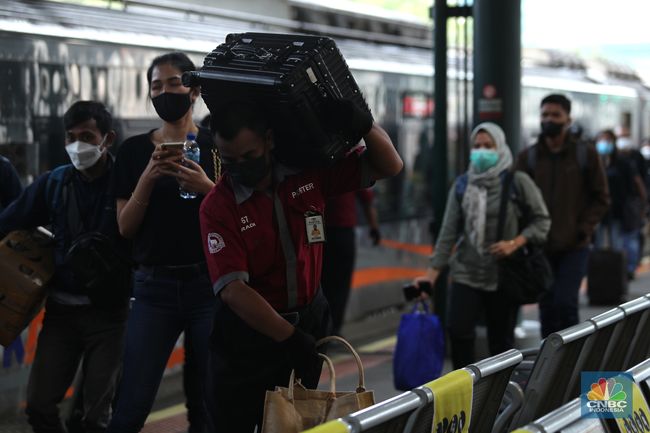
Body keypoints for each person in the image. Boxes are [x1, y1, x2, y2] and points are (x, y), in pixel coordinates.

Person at [200, 98, 403, 433]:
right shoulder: (217, 207)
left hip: (307, 324)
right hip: (247, 342)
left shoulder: (307, 174)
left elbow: (389, 165)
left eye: (249, 156)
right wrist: (290, 337)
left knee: (293, 425)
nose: (240, 167)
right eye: (230, 160)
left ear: (268, 140)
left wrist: (366, 125)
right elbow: (234, 290)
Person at [0, 100, 128, 433]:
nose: (77, 146)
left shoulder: (126, 184)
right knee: (39, 405)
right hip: (61, 313)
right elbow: (9, 222)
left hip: (111, 316)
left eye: (87, 136)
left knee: (94, 418)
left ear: (107, 139)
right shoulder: (54, 184)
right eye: (71, 137)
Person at [107, 52, 217, 433]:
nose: (165, 92)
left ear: (195, 90)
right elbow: (125, 226)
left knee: (207, 402)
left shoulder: (218, 147)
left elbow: (239, 217)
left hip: (211, 286)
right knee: (131, 403)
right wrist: (149, 177)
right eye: (157, 86)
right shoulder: (135, 152)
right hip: (153, 289)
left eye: (175, 83)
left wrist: (207, 188)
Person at [412, 122, 550, 369]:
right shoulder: (463, 185)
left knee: (501, 343)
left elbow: (542, 221)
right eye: (477, 146)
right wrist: (429, 277)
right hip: (467, 271)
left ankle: (501, 398)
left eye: (488, 146)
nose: (481, 151)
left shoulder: (517, 182)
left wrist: (514, 243)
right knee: (459, 332)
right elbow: (447, 235)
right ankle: (467, 393)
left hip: (503, 275)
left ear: (501, 148)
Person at [515, 94, 609, 338]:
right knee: (546, 307)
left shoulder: (585, 154)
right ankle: (551, 365)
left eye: (555, 115)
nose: (549, 120)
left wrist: (584, 228)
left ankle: (571, 364)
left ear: (568, 119)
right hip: (541, 246)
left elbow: (601, 197)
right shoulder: (529, 157)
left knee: (566, 304)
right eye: (545, 115)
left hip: (574, 245)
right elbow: (516, 199)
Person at [321, 187, 381, 336]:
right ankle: (334, 330)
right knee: (341, 285)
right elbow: (367, 200)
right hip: (343, 234)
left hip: (319, 234)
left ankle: (322, 329)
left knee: (322, 283)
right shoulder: (350, 169)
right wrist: (374, 228)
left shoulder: (318, 167)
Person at [593, 130, 647, 279]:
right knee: (597, 245)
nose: (603, 143)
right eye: (601, 139)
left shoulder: (623, 162)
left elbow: (635, 183)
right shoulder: (594, 162)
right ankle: (599, 275)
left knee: (619, 243)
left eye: (607, 139)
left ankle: (621, 273)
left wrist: (642, 204)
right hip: (598, 212)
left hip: (618, 211)